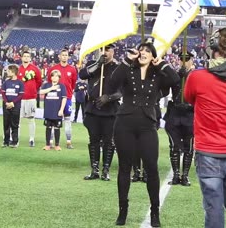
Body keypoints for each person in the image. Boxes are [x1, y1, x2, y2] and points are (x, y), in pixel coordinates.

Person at [184, 27, 226, 228]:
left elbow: (189, 99)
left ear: (213, 47)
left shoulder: (198, 77)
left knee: (214, 206)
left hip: (208, 151)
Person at [110, 42, 179, 227]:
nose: (143, 53)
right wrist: (126, 60)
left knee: (152, 168)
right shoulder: (127, 69)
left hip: (147, 125)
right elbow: (112, 82)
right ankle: (123, 211)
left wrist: (162, 63)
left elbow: (175, 80)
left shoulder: (158, 73)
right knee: (125, 168)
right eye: (141, 50)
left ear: (153, 55)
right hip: (124, 123)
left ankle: (155, 212)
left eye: (148, 51)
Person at [79, 44, 121, 181]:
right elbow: (83, 74)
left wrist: (108, 97)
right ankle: (94, 169)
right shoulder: (93, 64)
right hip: (93, 108)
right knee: (94, 140)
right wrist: (98, 64)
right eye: (102, 49)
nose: (104, 52)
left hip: (110, 110)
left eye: (107, 50)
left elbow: (122, 91)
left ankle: (106, 170)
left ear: (113, 52)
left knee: (109, 141)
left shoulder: (117, 68)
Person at [164, 51, 195, 186]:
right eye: (181, 59)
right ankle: (176, 174)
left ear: (191, 60)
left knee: (188, 147)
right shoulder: (174, 74)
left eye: (186, 59)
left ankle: (185, 175)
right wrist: (177, 76)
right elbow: (165, 88)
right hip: (175, 113)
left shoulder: (196, 76)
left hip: (189, 113)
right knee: (174, 147)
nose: (184, 61)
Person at [47, 49, 77, 149]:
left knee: (67, 119)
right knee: (52, 120)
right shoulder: (53, 69)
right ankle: (50, 142)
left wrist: (68, 93)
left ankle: (68, 142)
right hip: (55, 98)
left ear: (68, 57)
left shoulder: (72, 69)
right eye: (62, 55)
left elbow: (73, 84)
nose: (64, 57)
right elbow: (49, 82)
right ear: (59, 56)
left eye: (66, 55)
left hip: (67, 98)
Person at [18, 49, 42, 147]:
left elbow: (39, 81)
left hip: (31, 98)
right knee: (17, 120)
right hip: (19, 99)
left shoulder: (35, 69)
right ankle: (16, 138)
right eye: (25, 56)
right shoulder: (18, 69)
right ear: (21, 58)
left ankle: (31, 139)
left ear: (30, 58)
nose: (26, 58)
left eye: (28, 56)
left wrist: (32, 89)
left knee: (31, 119)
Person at [39, 70, 67, 151]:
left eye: (56, 76)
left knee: (57, 128)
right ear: (50, 77)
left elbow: (64, 98)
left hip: (57, 111)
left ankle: (57, 145)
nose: (54, 77)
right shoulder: (46, 85)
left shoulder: (62, 86)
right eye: (53, 76)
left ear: (59, 78)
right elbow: (40, 92)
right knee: (48, 127)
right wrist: (51, 88)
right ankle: (47, 145)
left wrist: (61, 110)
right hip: (48, 111)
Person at [1, 65, 24, 148]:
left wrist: (12, 103)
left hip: (16, 106)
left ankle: (14, 141)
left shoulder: (20, 83)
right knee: (6, 124)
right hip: (6, 106)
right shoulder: (6, 82)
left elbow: (20, 95)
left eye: (8, 71)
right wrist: (7, 102)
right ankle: (6, 141)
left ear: (13, 72)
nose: (7, 72)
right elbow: (3, 93)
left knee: (14, 124)